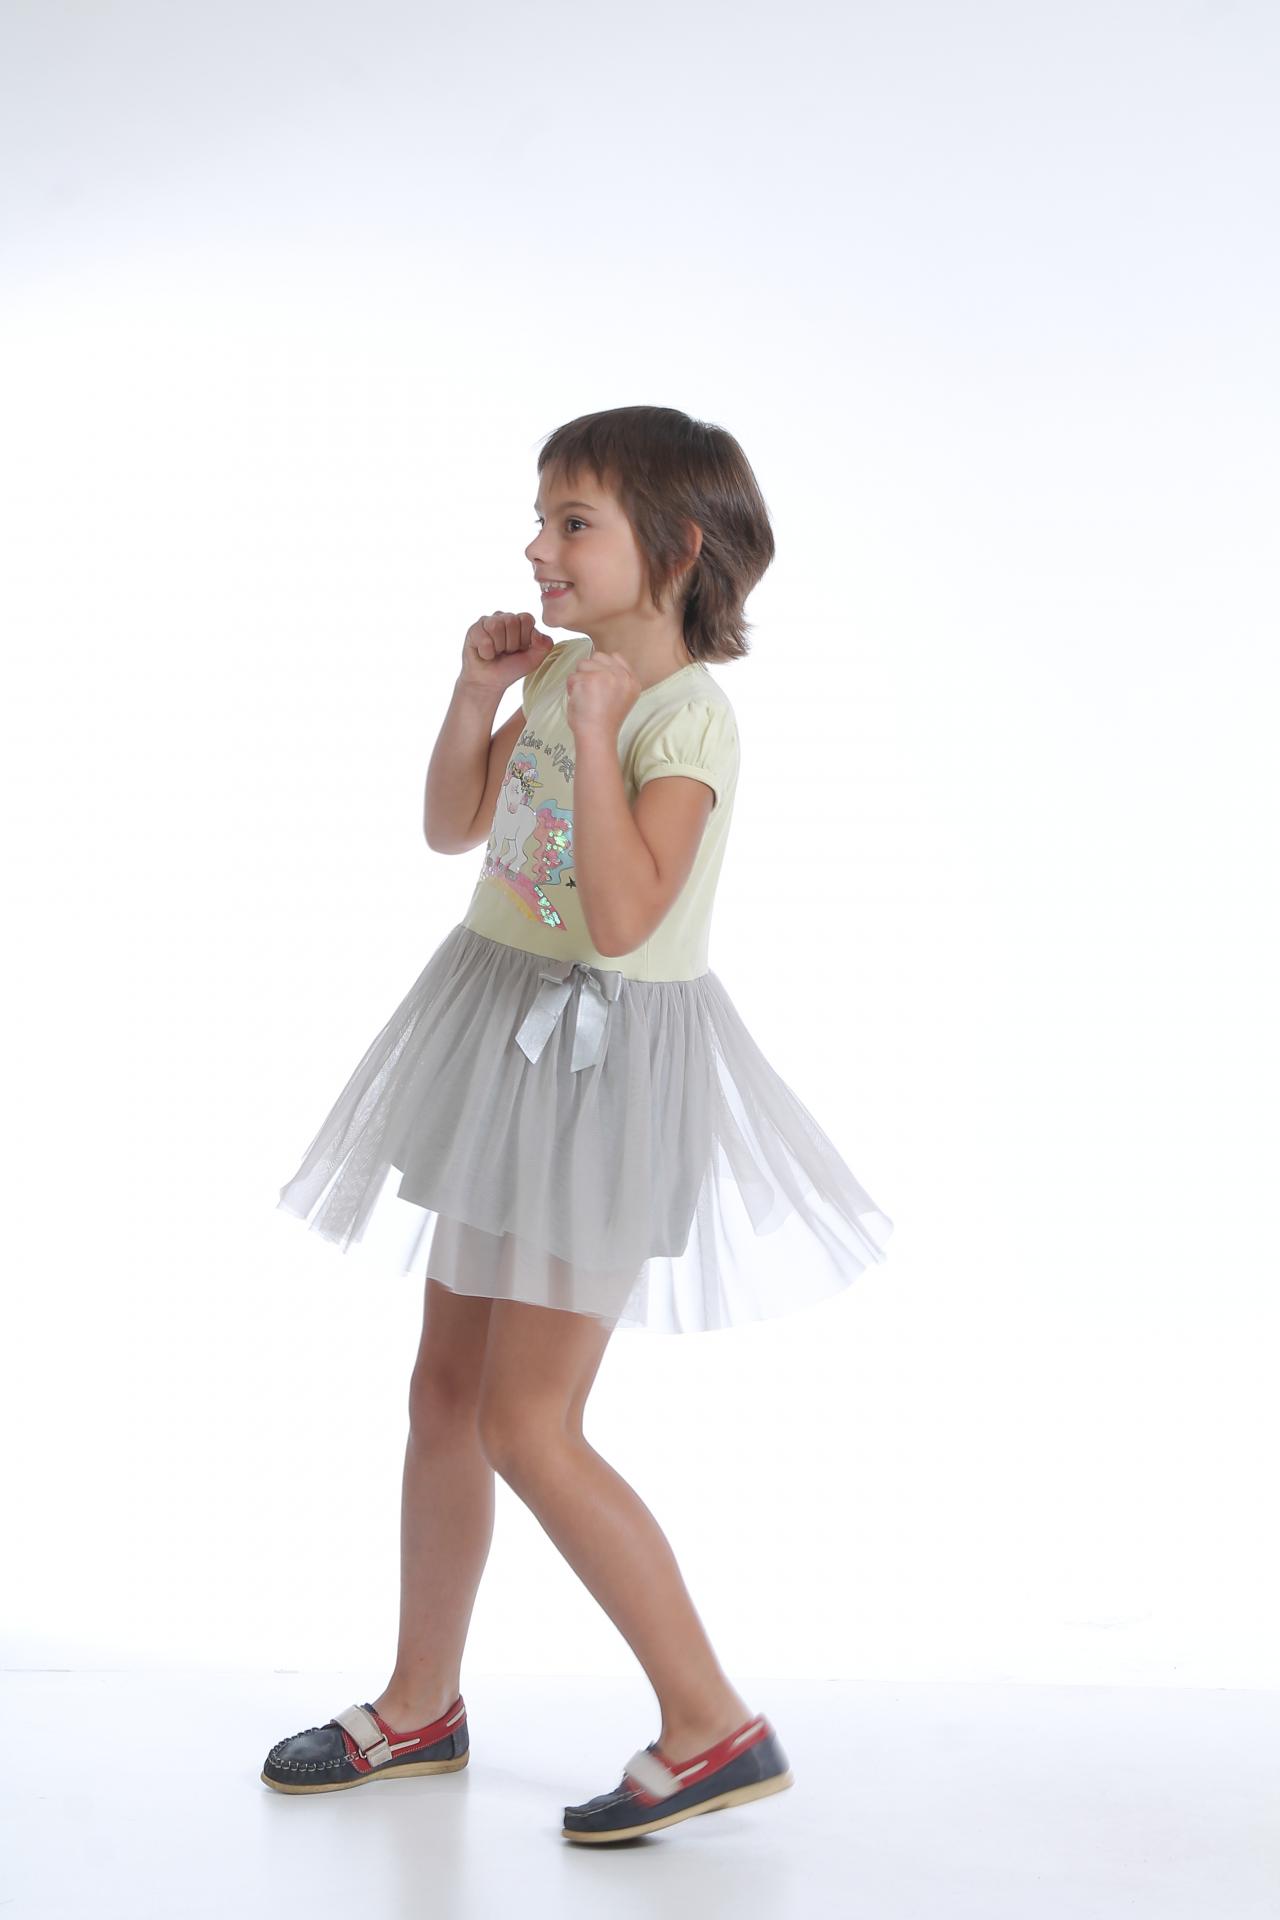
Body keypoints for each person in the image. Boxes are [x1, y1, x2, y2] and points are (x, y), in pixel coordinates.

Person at [261, 405, 894, 1841]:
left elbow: (620, 917)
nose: (537, 547)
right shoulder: (560, 676)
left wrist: (601, 731)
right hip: (498, 1042)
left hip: (600, 1076)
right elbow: (453, 829)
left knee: (529, 1422)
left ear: (674, 548)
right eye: (541, 517)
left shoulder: (682, 718)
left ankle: (710, 1720)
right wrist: (473, 697)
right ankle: (420, 1704)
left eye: (572, 522)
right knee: (444, 1395)